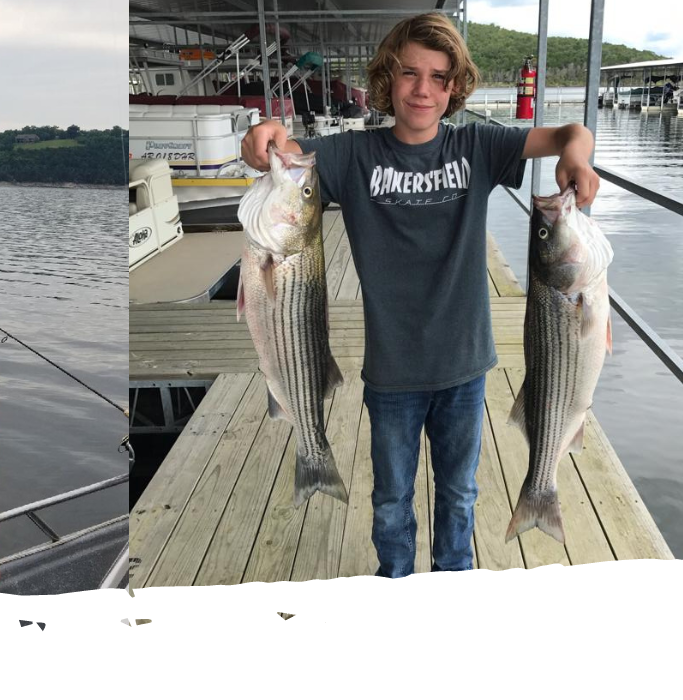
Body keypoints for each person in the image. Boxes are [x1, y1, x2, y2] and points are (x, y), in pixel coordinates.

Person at [240, 12, 600, 578]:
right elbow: (279, 151)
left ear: (454, 87)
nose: (422, 89)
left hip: (464, 366)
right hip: (392, 374)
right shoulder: (351, 158)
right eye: (409, 73)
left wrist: (575, 156)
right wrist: (262, 135)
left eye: (438, 77)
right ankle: (396, 587)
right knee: (390, 502)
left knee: (459, 497)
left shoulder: (478, 147)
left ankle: (453, 584)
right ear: (388, 76)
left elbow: (568, 134)